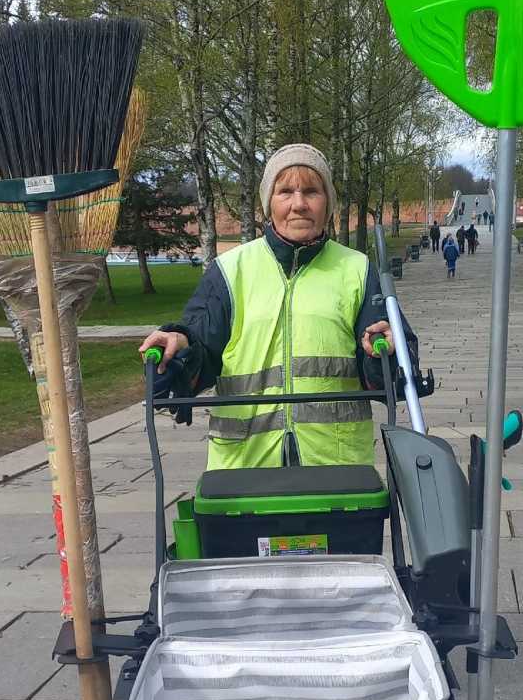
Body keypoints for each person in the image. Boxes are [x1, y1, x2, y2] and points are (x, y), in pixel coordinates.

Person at [139, 143, 419, 471]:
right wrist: (180, 345)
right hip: (243, 466)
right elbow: (199, 345)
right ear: (268, 204)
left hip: (337, 467)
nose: (299, 204)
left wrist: (383, 350)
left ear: (327, 203)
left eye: (312, 191)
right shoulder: (230, 271)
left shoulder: (357, 270)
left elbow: (395, 379)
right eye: (285, 191)